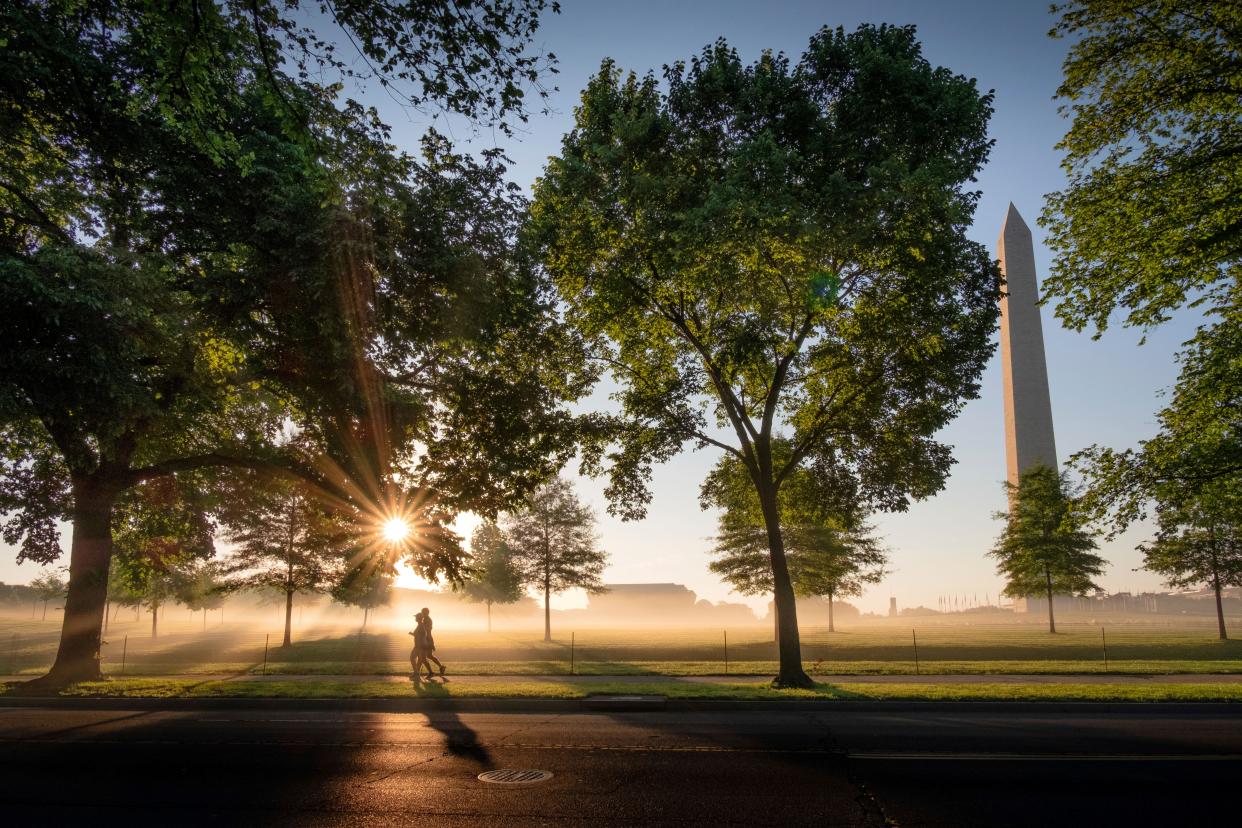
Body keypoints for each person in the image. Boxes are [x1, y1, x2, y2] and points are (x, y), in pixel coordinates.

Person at [421, 606, 446, 677]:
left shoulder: (427, 620)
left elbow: (427, 631)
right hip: (427, 639)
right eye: (422, 612)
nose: (422, 613)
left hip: (427, 639)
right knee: (429, 656)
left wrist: (430, 643)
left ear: (427, 613)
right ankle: (441, 667)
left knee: (424, 657)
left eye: (423, 612)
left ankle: (431, 672)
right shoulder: (425, 619)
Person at [408, 612, 433, 681]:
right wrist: (413, 634)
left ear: (419, 618)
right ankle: (427, 672)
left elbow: (422, 635)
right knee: (422, 660)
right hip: (419, 645)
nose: (415, 618)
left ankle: (416, 673)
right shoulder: (420, 625)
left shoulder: (421, 625)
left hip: (420, 646)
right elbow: (420, 635)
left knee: (413, 658)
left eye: (416, 617)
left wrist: (412, 634)